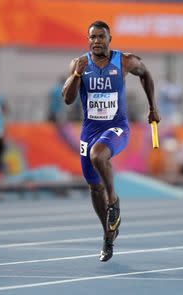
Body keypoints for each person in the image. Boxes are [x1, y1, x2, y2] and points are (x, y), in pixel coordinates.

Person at [62, 20, 160, 262]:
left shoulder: (125, 61)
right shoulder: (79, 64)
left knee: (99, 155)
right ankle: (107, 235)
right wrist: (76, 74)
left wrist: (152, 107)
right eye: (92, 37)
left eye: (101, 37)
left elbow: (146, 73)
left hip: (116, 128)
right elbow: (67, 98)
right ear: (88, 41)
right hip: (89, 130)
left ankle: (114, 201)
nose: (96, 41)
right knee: (94, 187)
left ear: (109, 39)